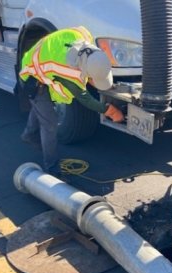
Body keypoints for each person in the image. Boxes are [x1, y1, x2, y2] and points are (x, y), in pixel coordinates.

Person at [19, 26, 124, 174]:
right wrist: (110, 111)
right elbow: (85, 99)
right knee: (50, 123)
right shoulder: (66, 71)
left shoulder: (84, 36)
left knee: (41, 109)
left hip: (40, 57)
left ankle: (28, 135)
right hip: (31, 73)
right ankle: (52, 167)